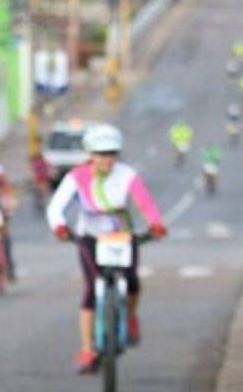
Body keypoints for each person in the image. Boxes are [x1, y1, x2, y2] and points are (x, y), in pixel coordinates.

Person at [47, 124, 167, 373]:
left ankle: (130, 317)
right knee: (91, 290)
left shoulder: (127, 174)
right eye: (101, 154)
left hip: (122, 236)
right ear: (90, 154)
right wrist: (59, 227)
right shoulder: (77, 177)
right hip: (90, 238)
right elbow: (56, 207)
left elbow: (146, 202)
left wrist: (155, 224)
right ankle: (87, 348)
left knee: (132, 282)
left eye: (111, 153)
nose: (106, 159)